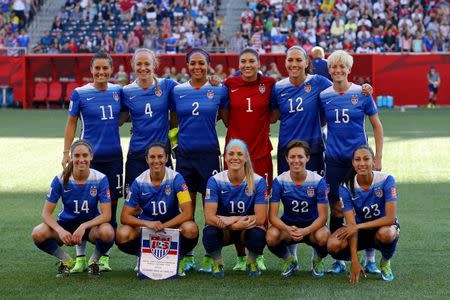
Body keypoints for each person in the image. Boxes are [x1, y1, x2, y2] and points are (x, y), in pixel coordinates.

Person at [320, 50, 384, 275]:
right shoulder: (324, 95)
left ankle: (370, 258)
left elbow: (377, 126)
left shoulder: (362, 93)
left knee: (364, 208)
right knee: (336, 209)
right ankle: (339, 259)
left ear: (349, 70)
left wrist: (378, 158)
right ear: (329, 70)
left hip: (360, 162)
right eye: (334, 67)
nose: (338, 71)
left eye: (342, 67)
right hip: (335, 161)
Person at [62, 50, 123, 273]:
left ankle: (102, 257)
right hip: (86, 160)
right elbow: (71, 123)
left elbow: (125, 114)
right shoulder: (80, 93)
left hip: (114, 159)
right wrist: (66, 153)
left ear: (111, 70)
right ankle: (79, 257)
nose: (101, 72)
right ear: (91, 70)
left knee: (112, 207)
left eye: (105, 68)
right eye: (97, 68)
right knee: (83, 208)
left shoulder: (118, 91)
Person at [171, 48, 228, 273]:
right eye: (193, 63)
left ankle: (211, 255)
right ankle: (187, 255)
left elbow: (226, 119)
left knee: (211, 208)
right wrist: (175, 143)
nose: (197, 67)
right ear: (187, 66)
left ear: (208, 65)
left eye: (201, 63)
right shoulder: (177, 91)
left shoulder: (218, 89)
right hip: (185, 158)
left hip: (210, 157)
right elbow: (173, 121)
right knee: (187, 208)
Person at [224, 47, 276, 271]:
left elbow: (274, 115)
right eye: (243, 61)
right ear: (238, 64)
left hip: (261, 154)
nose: (247, 65)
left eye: (251, 61)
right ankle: (240, 256)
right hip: (235, 156)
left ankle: (258, 254)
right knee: (235, 204)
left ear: (258, 63)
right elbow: (225, 117)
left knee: (259, 204)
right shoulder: (229, 84)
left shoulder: (270, 84)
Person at [32, 140, 115, 277]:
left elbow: (106, 215)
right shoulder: (60, 178)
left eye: (85, 155)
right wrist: (60, 231)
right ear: (71, 157)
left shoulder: (100, 179)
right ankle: (65, 260)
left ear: (91, 157)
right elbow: (46, 214)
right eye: (77, 156)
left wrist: (83, 226)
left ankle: (93, 261)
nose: (81, 159)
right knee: (38, 233)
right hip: (67, 225)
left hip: (91, 227)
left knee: (108, 232)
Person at [115, 142, 199, 277]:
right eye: (152, 157)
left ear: (166, 158)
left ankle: (177, 258)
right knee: (122, 234)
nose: (156, 161)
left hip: (172, 227)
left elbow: (188, 212)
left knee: (191, 228)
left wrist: (163, 226)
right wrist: (148, 224)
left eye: (160, 157)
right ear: (147, 159)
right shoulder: (139, 182)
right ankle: (142, 255)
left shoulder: (176, 178)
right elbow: (125, 217)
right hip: (147, 228)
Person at [327, 145, 399, 283]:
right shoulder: (345, 187)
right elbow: (351, 225)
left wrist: (358, 226)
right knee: (332, 244)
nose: (362, 163)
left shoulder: (387, 180)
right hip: (358, 231)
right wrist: (354, 260)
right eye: (358, 159)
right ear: (353, 163)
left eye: (366, 159)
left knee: (388, 233)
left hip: (381, 228)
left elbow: (390, 219)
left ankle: (385, 262)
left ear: (373, 161)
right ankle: (358, 258)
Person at [202, 139, 268, 278]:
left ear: (246, 158)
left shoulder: (258, 181)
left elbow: (261, 218)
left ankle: (251, 262)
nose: (235, 157)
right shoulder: (215, 181)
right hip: (224, 229)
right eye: (231, 154)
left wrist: (233, 219)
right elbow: (209, 217)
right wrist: (234, 226)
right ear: (225, 157)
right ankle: (218, 263)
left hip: (246, 228)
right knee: (209, 232)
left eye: (239, 154)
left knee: (259, 233)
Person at [266, 140, 330, 278]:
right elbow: (272, 217)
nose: (296, 160)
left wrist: (306, 230)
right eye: (292, 157)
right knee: (271, 236)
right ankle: (289, 259)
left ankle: (317, 260)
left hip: (312, 228)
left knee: (325, 236)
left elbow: (323, 217)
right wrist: (288, 229)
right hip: (290, 227)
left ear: (307, 158)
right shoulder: (279, 181)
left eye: (300, 156)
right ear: (286, 159)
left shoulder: (318, 181)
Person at [121, 48, 178, 198]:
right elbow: (121, 118)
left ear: (154, 65)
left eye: (147, 63)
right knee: (132, 203)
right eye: (139, 64)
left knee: (167, 201)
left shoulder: (167, 85)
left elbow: (190, 90)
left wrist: (212, 82)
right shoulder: (126, 91)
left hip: (161, 155)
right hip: (137, 154)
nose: (143, 68)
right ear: (133, 65)